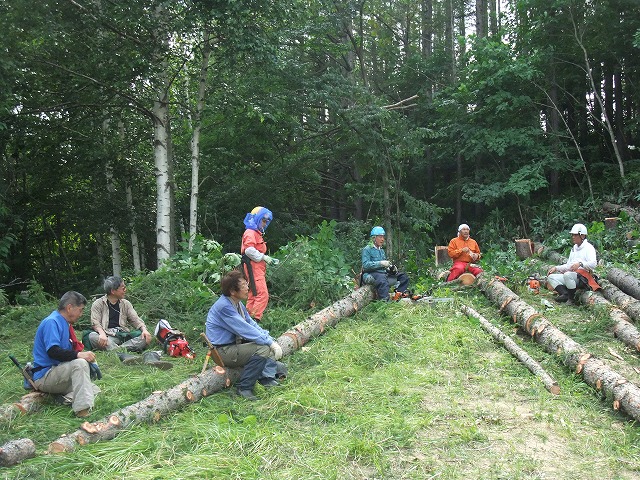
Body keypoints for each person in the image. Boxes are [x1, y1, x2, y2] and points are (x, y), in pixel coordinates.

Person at [205, 270, 284, 401]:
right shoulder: (224, 307)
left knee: (265, 343)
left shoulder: (237, 303)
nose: (247, 288)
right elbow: (245, 329)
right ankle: (244, 387)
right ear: (232, 291)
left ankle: (267, 378)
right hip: (223, 351)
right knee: (263, 348)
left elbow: (251, 324)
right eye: (243, 286)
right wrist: (269, 343)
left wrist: (269, 339)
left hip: (233, 346)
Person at [31, 291, 101, 417]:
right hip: (46, 375)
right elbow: (53, 351)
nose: (81, 314)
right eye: (80, 310)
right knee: (79, 364)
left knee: (94, 389)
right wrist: (79, 355)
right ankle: (82, 411)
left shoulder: (64, 323)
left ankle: (64, 399)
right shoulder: (52, 322)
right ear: (69, 308)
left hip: (58, 372)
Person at [88, 275, 152, 352]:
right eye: (123, 288)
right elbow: (95, 323)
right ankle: (123, 350)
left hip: (122, 335)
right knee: (92, 336)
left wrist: (144, 330)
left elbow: (135, 319)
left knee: (144, 337)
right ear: (113, 291)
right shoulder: (98, 304)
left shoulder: (126, 303)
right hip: (106, 336)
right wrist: (102, 334)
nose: (125, 290)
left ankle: (116, 350)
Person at [241, 206, 279, 321]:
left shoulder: (256, 233)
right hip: (253, 267)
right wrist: (265, 257)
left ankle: (246, 321)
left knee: (254, 295)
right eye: (263, 221)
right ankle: (254, 321)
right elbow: (249, 250)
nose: (265, 224)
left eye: (267, 222)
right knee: (262, 295)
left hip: (257, 267)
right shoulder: (250, 232)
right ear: (256, 219)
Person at [547, 223, 600, 304]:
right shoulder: (574, 249)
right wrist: (556, 268)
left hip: (583, 278)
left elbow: (593, 264)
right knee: (551, 277)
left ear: (582, 236)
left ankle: (571, 299)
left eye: (575, 235)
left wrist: (580, 264)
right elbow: (569, 266)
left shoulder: (589, 248)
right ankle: (565, 294)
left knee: (567, 275)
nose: (573, 237)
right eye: (572, 235)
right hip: (571, 276)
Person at [361, 226, 410, 301]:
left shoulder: (381, 251)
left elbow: (384, 267)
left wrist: (391, 268)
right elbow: (365, 265)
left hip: (383, 273)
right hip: (372, 273)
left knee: (403, 276)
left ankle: (398, 294)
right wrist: (380, 263)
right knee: (382, 279)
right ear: (374, 238)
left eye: (383, 237)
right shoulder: (367, 249)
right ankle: (385, 301)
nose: (383, 239)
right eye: (380, 237)